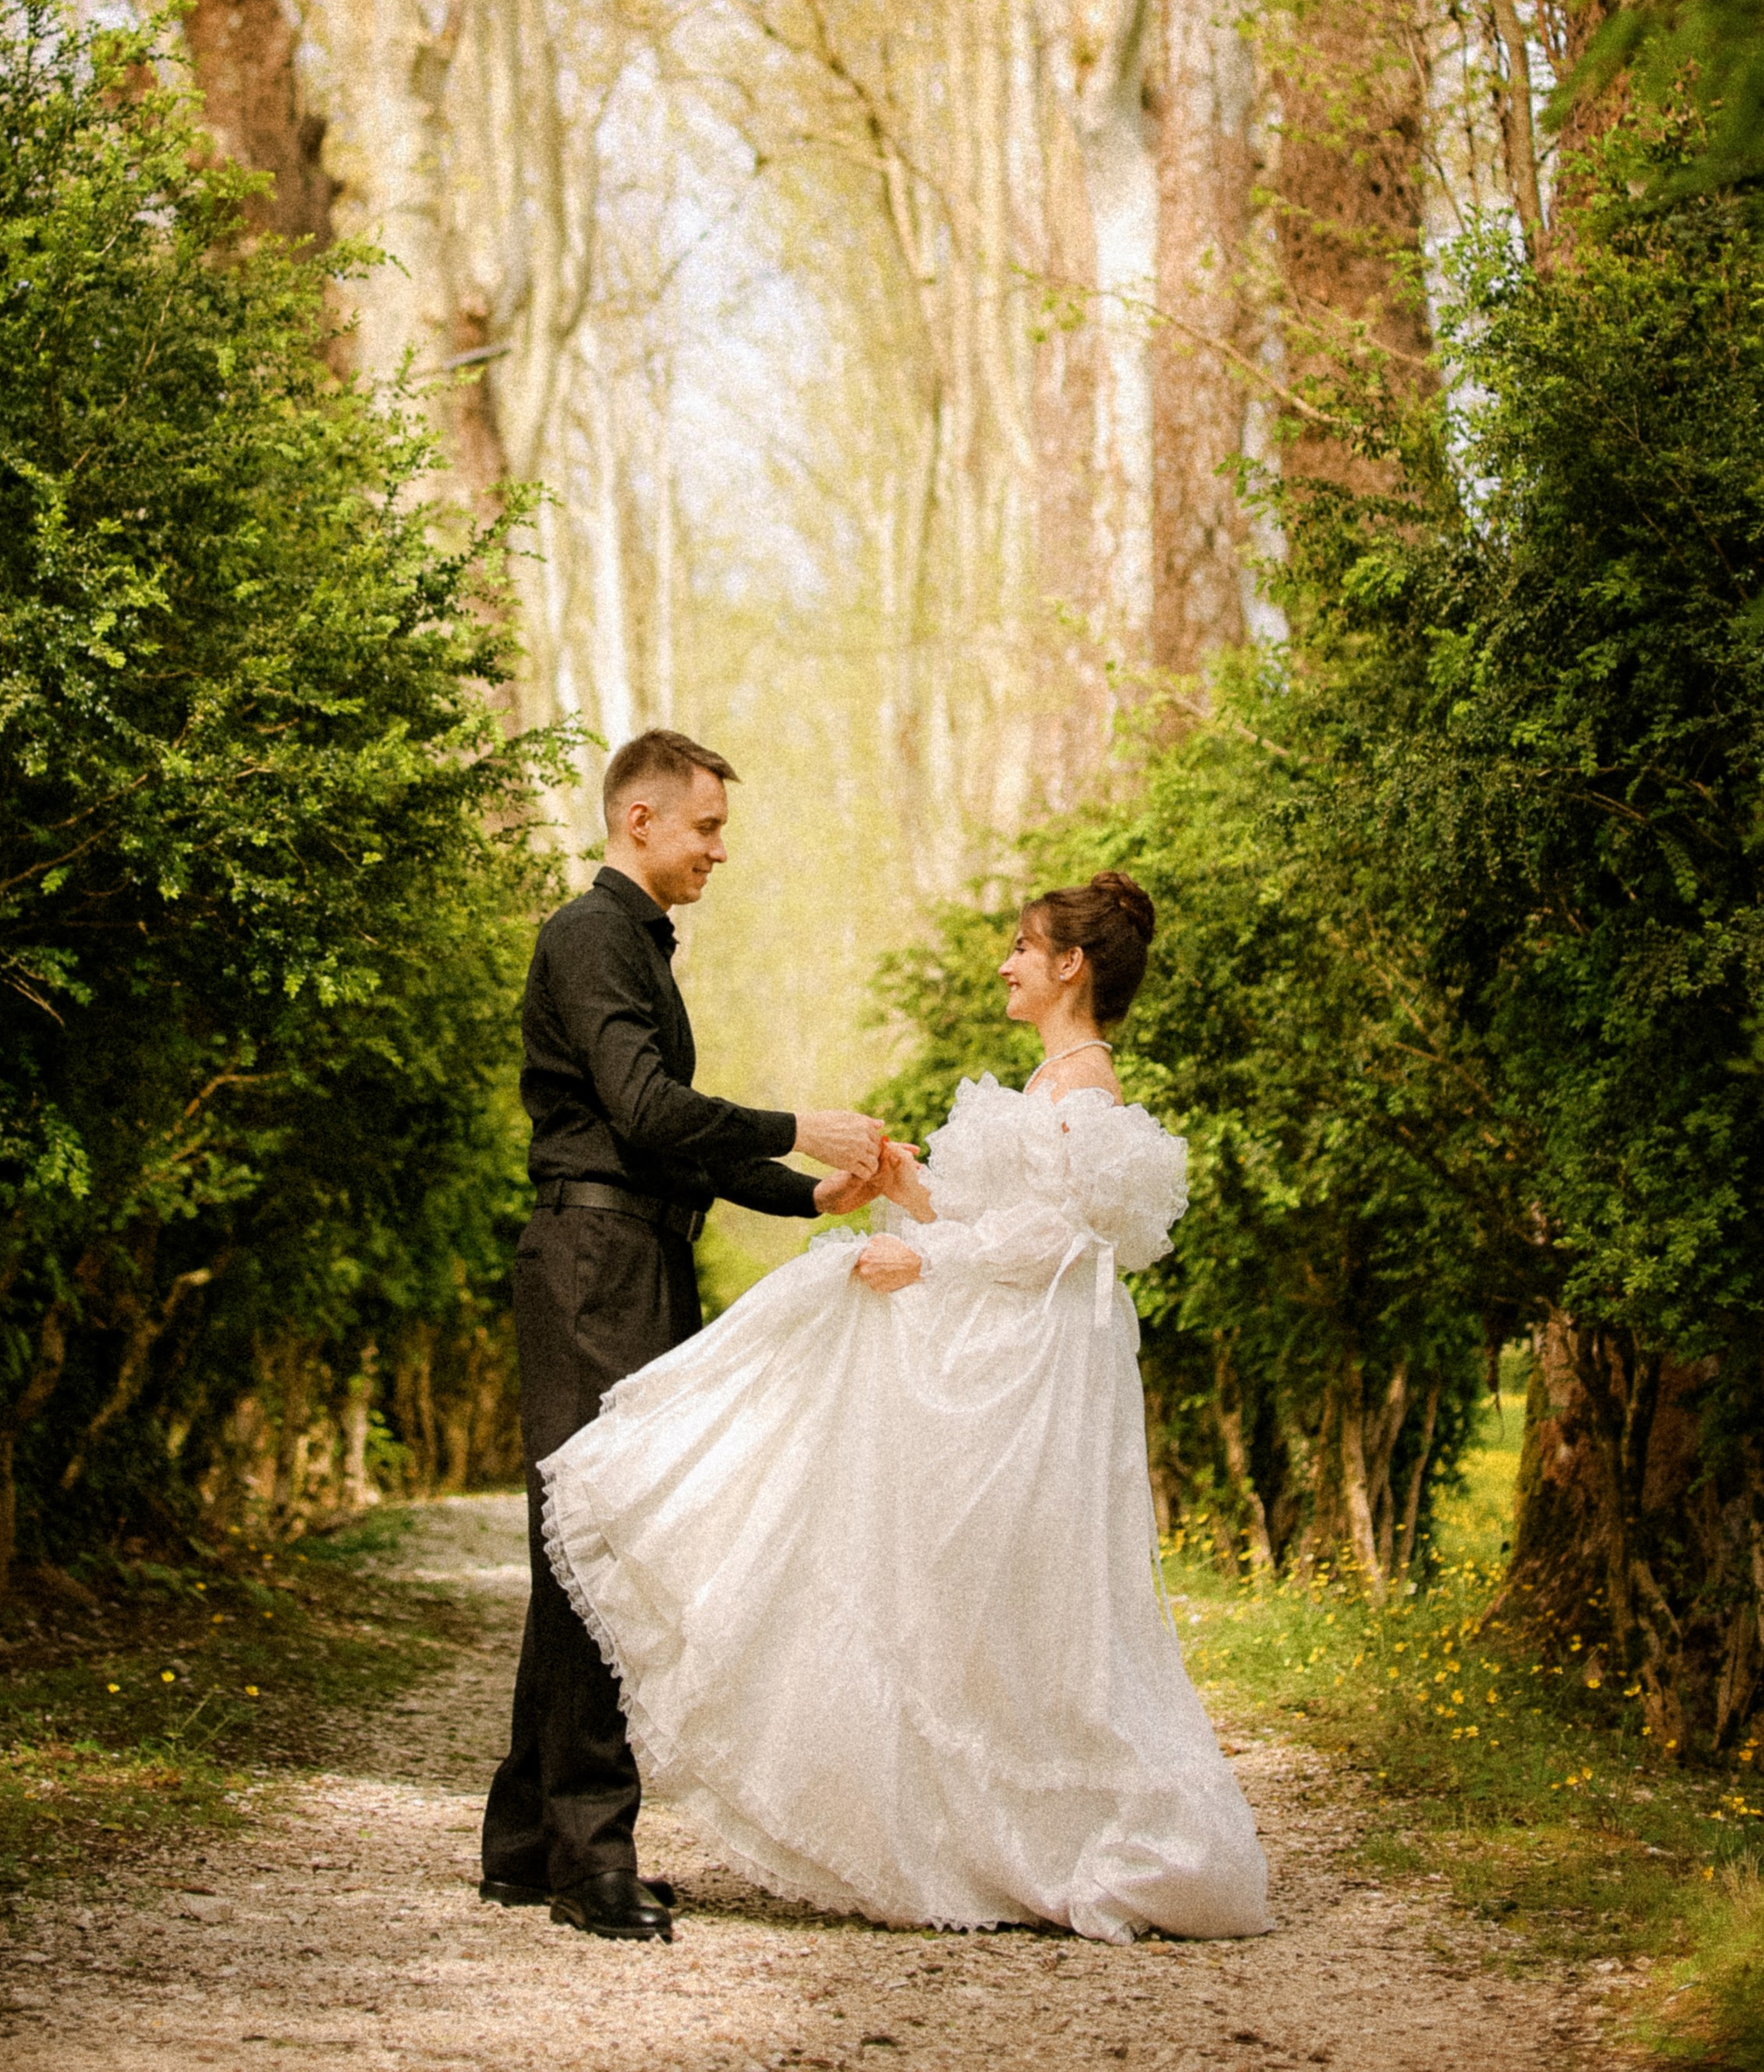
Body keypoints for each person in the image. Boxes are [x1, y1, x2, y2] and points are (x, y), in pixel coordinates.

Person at [538, 870, 1273, 1941]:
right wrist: (901, 1192)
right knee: (954, 1577)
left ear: (1071, 966)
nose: (1006, 964)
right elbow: (996, 1216)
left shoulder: (1086, 1088)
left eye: (1023, 947)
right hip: (997, 1349)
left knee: (1000, 1588)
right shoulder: (1047, 1083)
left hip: (1028, 1372)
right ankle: (964, 1824)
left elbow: (1061, 1239)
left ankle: (1071, 1828)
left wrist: (926, 1261)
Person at [480, 729, 888, 1943]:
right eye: (706, 827)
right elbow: (646, 1109)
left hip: (635, 1254)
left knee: (586, 1539)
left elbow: (659, 1141)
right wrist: (797, 1127)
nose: (720, 849)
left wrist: (806, 1195)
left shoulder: (635, 941)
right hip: (594, 1266)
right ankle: (590, 1861)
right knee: (599, 1542)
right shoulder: (589, 933)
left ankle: (525, 1845)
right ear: (640, 820)